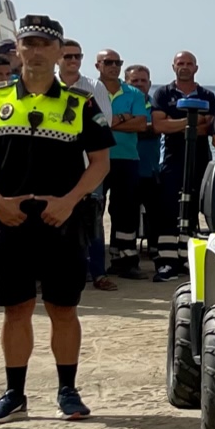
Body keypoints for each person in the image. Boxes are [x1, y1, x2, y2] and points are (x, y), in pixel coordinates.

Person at [0, 16, 114, 422]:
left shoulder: (80, 103)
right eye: (29, 42)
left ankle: (68, 391)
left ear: (59, 50)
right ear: (18, 47)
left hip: (62, 220)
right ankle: (15, 394)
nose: (37, 50)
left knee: (63, 309)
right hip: (8, 219)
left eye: (46, 43)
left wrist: (69, 200)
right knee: (16, 309)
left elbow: (100, 163)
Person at [148, 51, 215, 282]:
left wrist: (175, 122)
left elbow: (208, 129)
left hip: (199, 159)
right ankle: (166, 262)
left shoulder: (207, 95)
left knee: (194, 209)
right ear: (173, 66)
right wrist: (192, 120)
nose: (184, 67)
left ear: (196, 67)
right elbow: (158, 126)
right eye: (180, 63)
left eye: (189, 64)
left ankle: (189, 259)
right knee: (168, 210)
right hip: (171, 160)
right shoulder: (163, 93)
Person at [55, 39, 116, 291]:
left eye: (77, 56)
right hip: (54, 166)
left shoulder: (94, 86)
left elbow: (105, 123)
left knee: (93, 220)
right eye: (68, 56)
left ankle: (98, 273)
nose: (73, 61)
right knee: (55, 218)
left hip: (89, 165)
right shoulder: (46, 86)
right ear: (58, 57)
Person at [96, 50, 151, 279]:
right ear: (98, 65)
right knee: (93, 210)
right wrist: (122, 118)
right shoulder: (90, 90)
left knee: (125, 211)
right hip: (95, 158)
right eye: (108, 62)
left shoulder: (133, 93)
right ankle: (95, 263)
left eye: (117, 62)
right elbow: (85, 124)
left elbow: (141, 125)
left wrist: (106, 122)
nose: (113, 66)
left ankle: (126, 262)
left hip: (126, 158)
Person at [122, 64, 162, 269]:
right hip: (126, 167)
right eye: (134, 81)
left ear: (149, 83)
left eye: (142, 81)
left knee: (155, 214)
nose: (139, 85)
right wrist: (138, 126)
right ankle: (124, 255)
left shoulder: (154, 106)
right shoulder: (123, 103)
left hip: (151, 169)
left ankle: (155, 252)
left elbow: (157, 127)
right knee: (124, 214)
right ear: (126, 83)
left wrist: (131, 125)